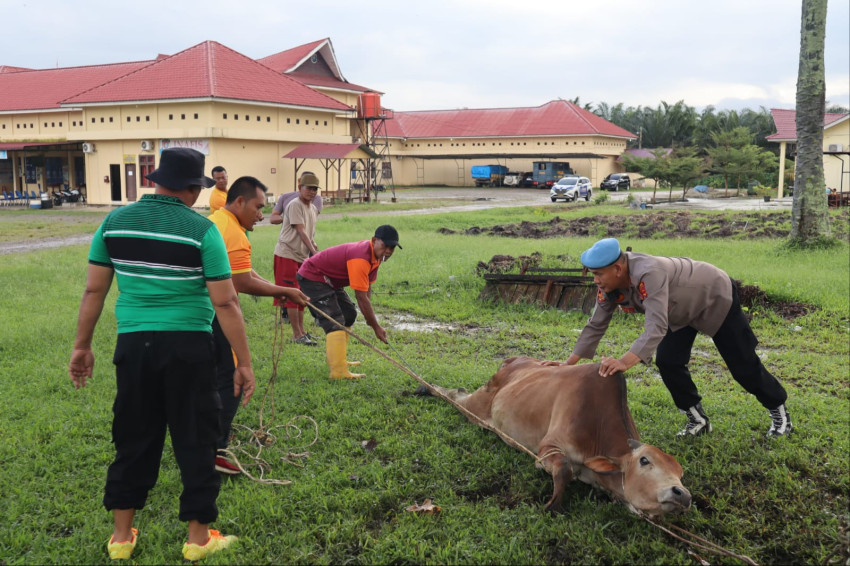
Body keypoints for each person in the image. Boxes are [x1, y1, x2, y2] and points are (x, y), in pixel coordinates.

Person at [68, 148, 250, 562]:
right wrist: (243, 361)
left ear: (156, 181)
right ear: (193, 188)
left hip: (134, 346)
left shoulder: (113, 222)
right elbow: (226, 303)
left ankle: (121, 538)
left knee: (133, 434)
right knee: (196, 437)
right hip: (188, 346)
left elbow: (94, 290)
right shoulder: (202, 231)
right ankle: (198, 539)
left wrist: (82, 346)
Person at [560, 237, 792, 439]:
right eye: (593, 275)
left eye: (598, 274)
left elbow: (655, 327)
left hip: (712, 296)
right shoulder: (608, 287)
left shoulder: (649, 272)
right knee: (669, 361)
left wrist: (623, 362)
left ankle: (779, 412)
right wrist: (566, 365)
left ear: (618, 269)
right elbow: (596, 324)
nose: (595, 280)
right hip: (678, 312)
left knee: (742, 365)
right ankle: (697, 420)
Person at [208, 175, 309, 474]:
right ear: (239, 201)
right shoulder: (234, 233)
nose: (262, 215)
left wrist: (281, 288)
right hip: (213, 312)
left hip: (198, 311)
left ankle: (209, 436)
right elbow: (241, 282)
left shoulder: (219, 221)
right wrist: (284, 290)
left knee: (212, 377)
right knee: (231, 380)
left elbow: (245, 271)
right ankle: (215, 450)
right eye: (257, 206)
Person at [297, 225, 401, 379]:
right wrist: (376, 326)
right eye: (385, 245)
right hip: (313, 277)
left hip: (330, 281)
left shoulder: (376, 257)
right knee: (335, 320)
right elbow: (360, 297)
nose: (388, 251)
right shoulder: (361, 257)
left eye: (392, 248)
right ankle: (338, 371)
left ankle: (340, 359)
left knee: (349, 314)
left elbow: (367, 290)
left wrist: (369, 317)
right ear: (374, 241)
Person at [273, 172, 321, 346]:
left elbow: (309, 233)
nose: (312, 192)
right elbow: (300, 231)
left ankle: (302, 332)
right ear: (300, 187)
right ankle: (296, 335)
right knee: (292, 295)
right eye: (309, 188)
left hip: (301, 256)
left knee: (301, 295)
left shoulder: (313, 208)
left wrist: (314, 248)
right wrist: (313, 253)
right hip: (287, 254)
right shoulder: (295, 205)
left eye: (315, 189)